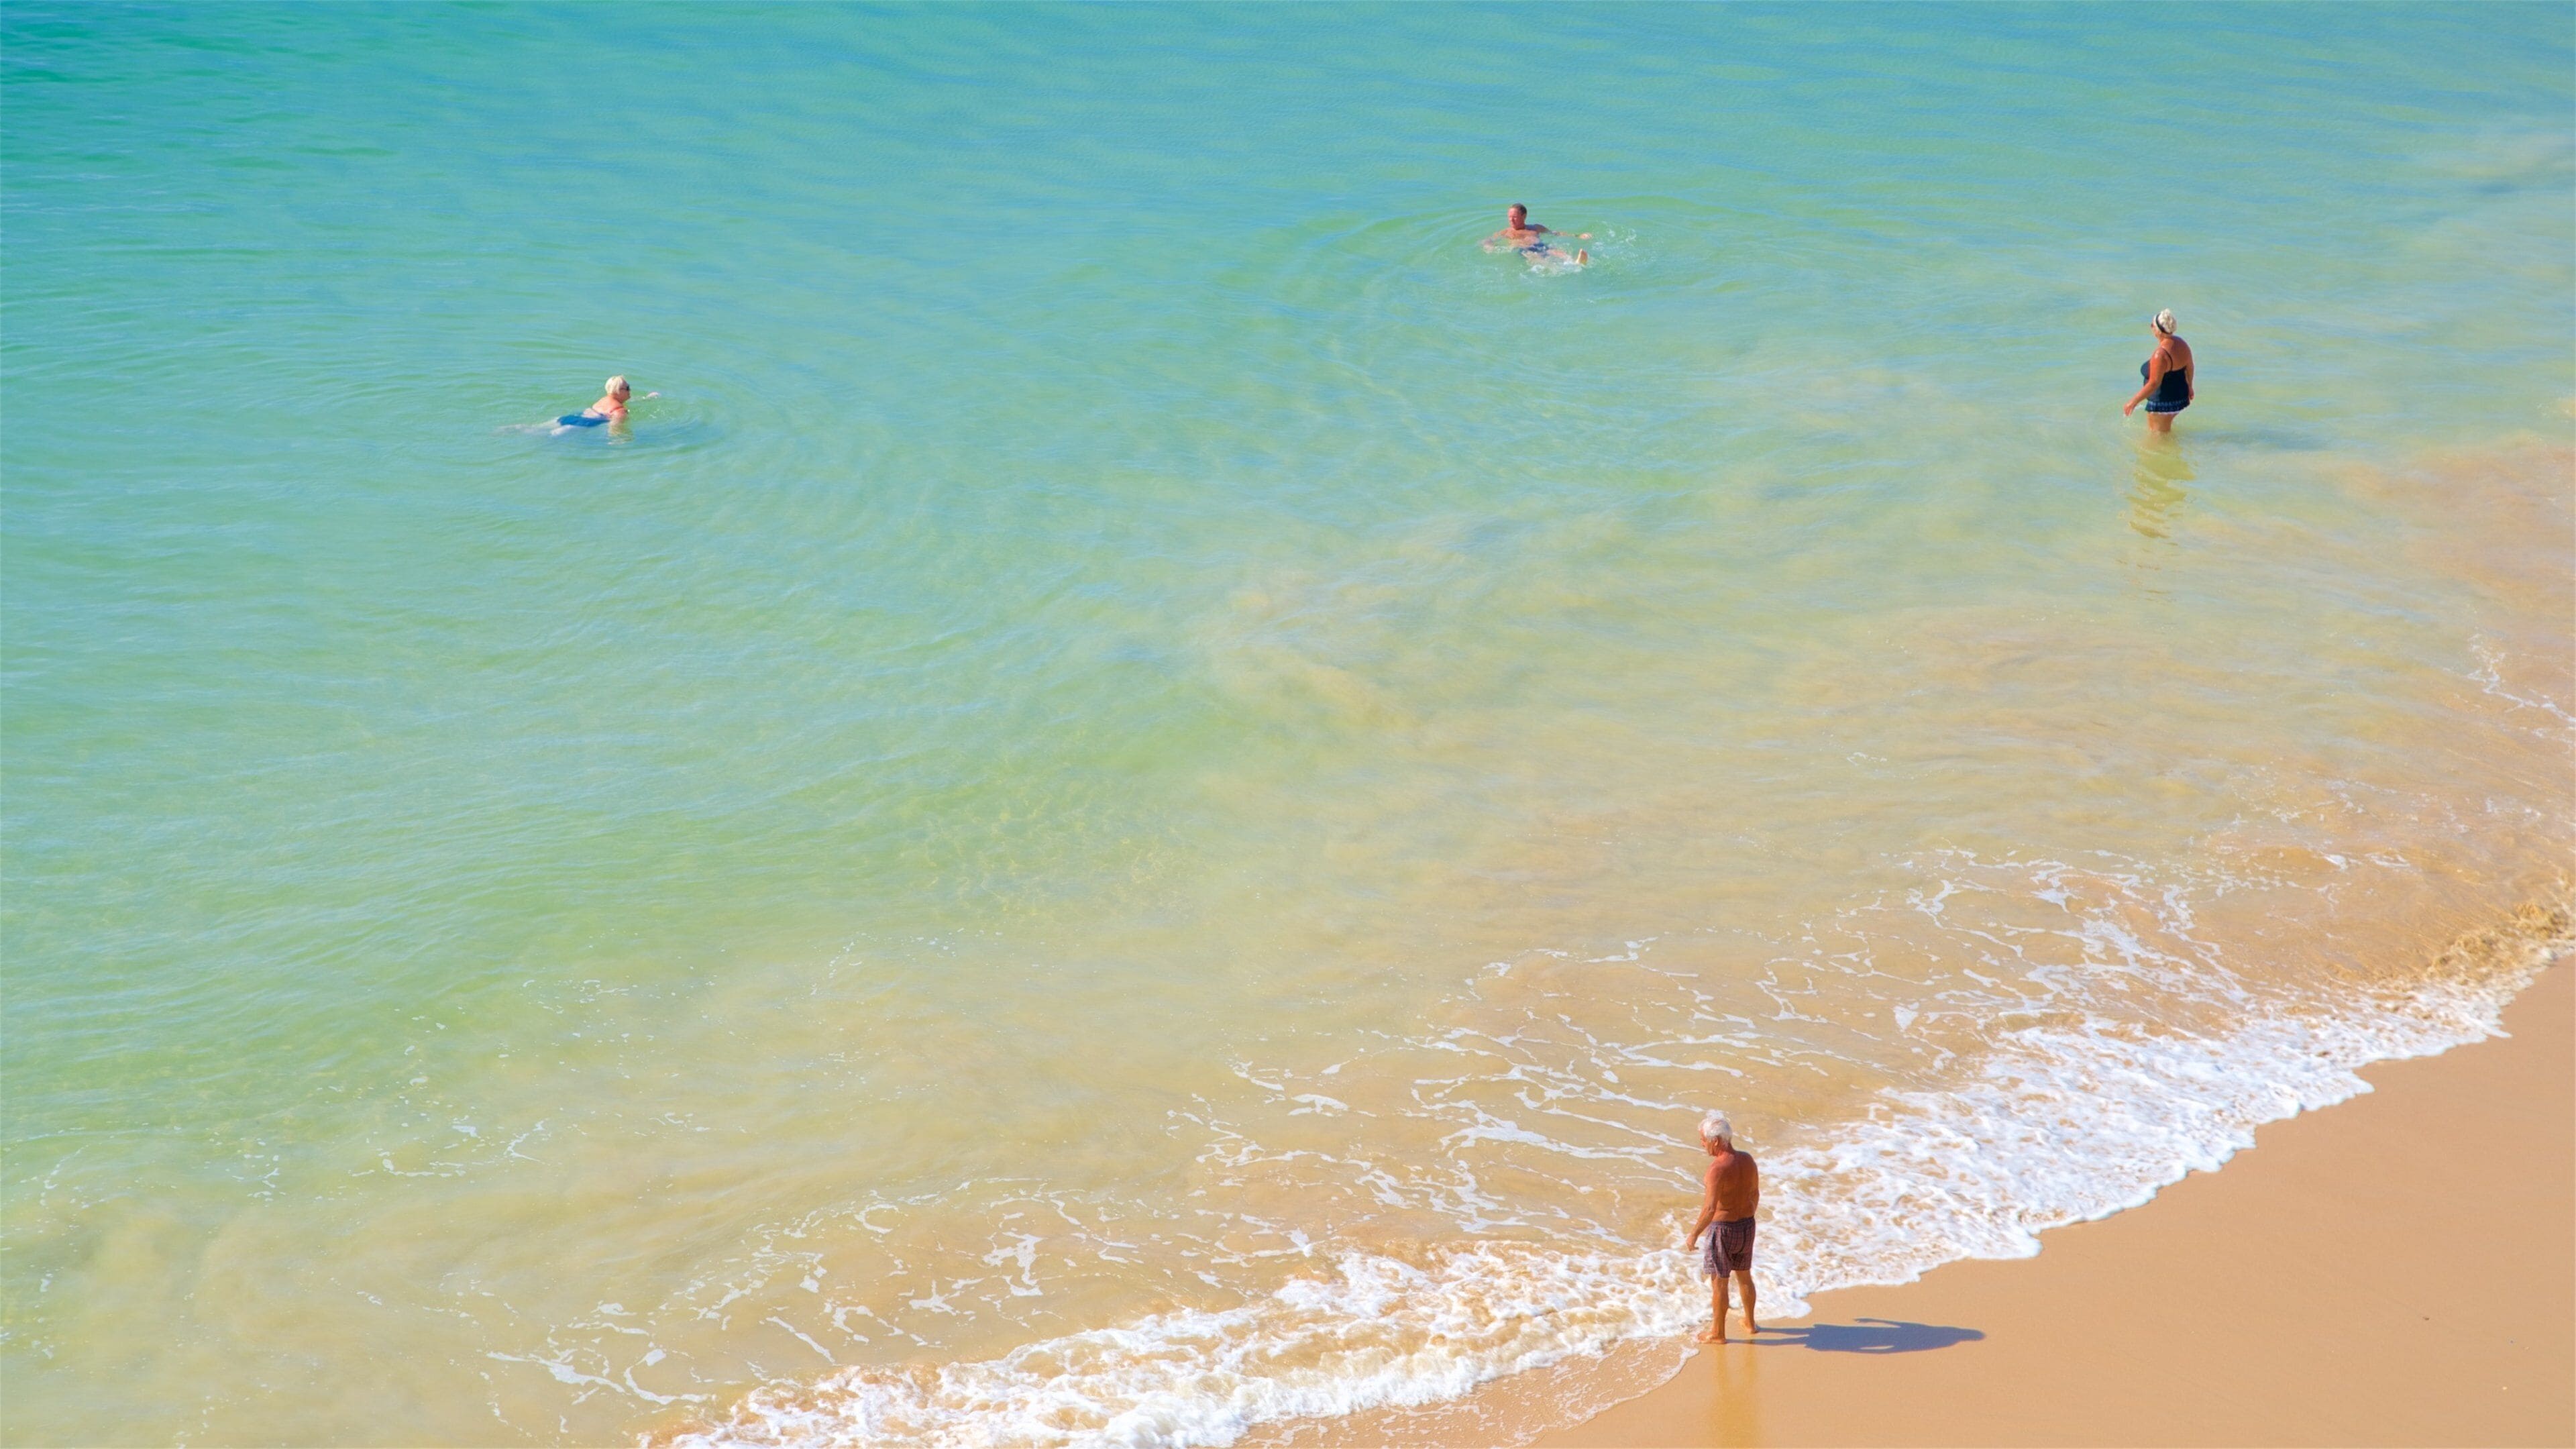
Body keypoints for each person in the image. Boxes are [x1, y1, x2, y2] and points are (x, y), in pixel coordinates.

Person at [1686, 1110, 1759, 1344]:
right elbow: (1755, 1194)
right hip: (1747, 1226)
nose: (1702, 1144)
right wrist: (1747, 1216)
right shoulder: (1747, 1160)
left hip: (1723, 1230)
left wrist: (1694, 1234)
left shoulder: (1716, 1169)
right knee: (1745, 1277)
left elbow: (1710, 1210)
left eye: (1703, 1139)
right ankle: (1750, 1323)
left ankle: (1718, 1333)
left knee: (1719, 1282)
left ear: (1715, 1141)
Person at [2123, 311, 2194, 434]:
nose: (2151, 327)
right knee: (2166, 434)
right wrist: (2190, 386)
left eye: (2153, 325)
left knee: (2157, 438)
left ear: (2159, 331)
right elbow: (2190, 366)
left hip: (2163, 404)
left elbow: (2154, 383)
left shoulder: (2160, 355)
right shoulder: (2181, 343)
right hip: (2179, 397)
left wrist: (2133, 402)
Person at [1481, 203, 1589, 266]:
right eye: (1509, 217)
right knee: (1541, 261)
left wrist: (1578, 236)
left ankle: (1574, 263)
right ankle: (1562, 268)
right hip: (1525, 250)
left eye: (1514, 217)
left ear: (1524, 216)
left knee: (1556, 251)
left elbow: (1555, 233)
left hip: (1541, 247)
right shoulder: (1506, 232)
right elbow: (1488, 240)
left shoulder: (1536, 228)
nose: (1511, 220)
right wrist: (1488, 246)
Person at [555, 376, 654, 431]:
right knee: (553, 436)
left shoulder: (604, 399)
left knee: (541, 429)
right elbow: (615, 430)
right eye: (627, 388)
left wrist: (647, 398)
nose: (630, 390)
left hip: (575, 416)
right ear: (618, 391)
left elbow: (630, 400)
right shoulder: (620, 411)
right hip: (583, 424)